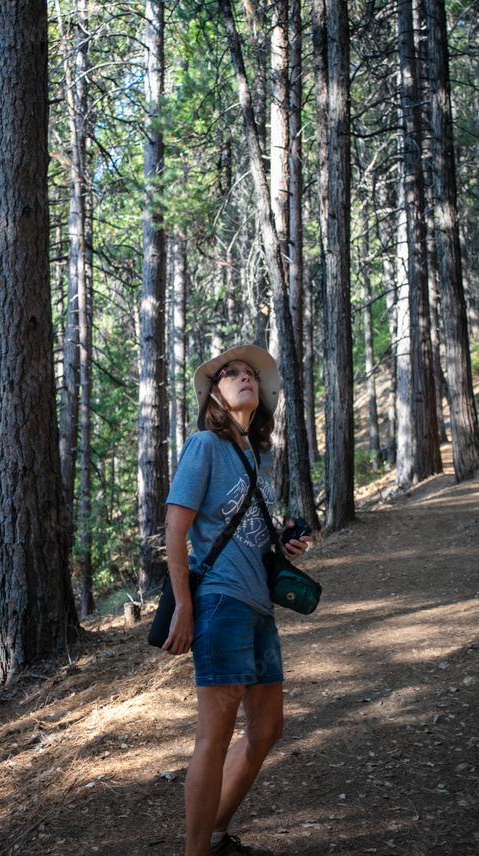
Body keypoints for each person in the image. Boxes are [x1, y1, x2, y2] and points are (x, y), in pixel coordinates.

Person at [162, 345, 312, 856]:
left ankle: (214, 835)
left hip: (258, 607)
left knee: (268, 728)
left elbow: (251, 534)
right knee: (216, 734)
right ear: (214, 395)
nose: (245, 377)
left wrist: (285, 544)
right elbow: (175, 529)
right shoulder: (204, 445)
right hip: (220, 603)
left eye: (251, 373)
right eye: (232, 373)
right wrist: (185, 608)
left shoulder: (258, 458)